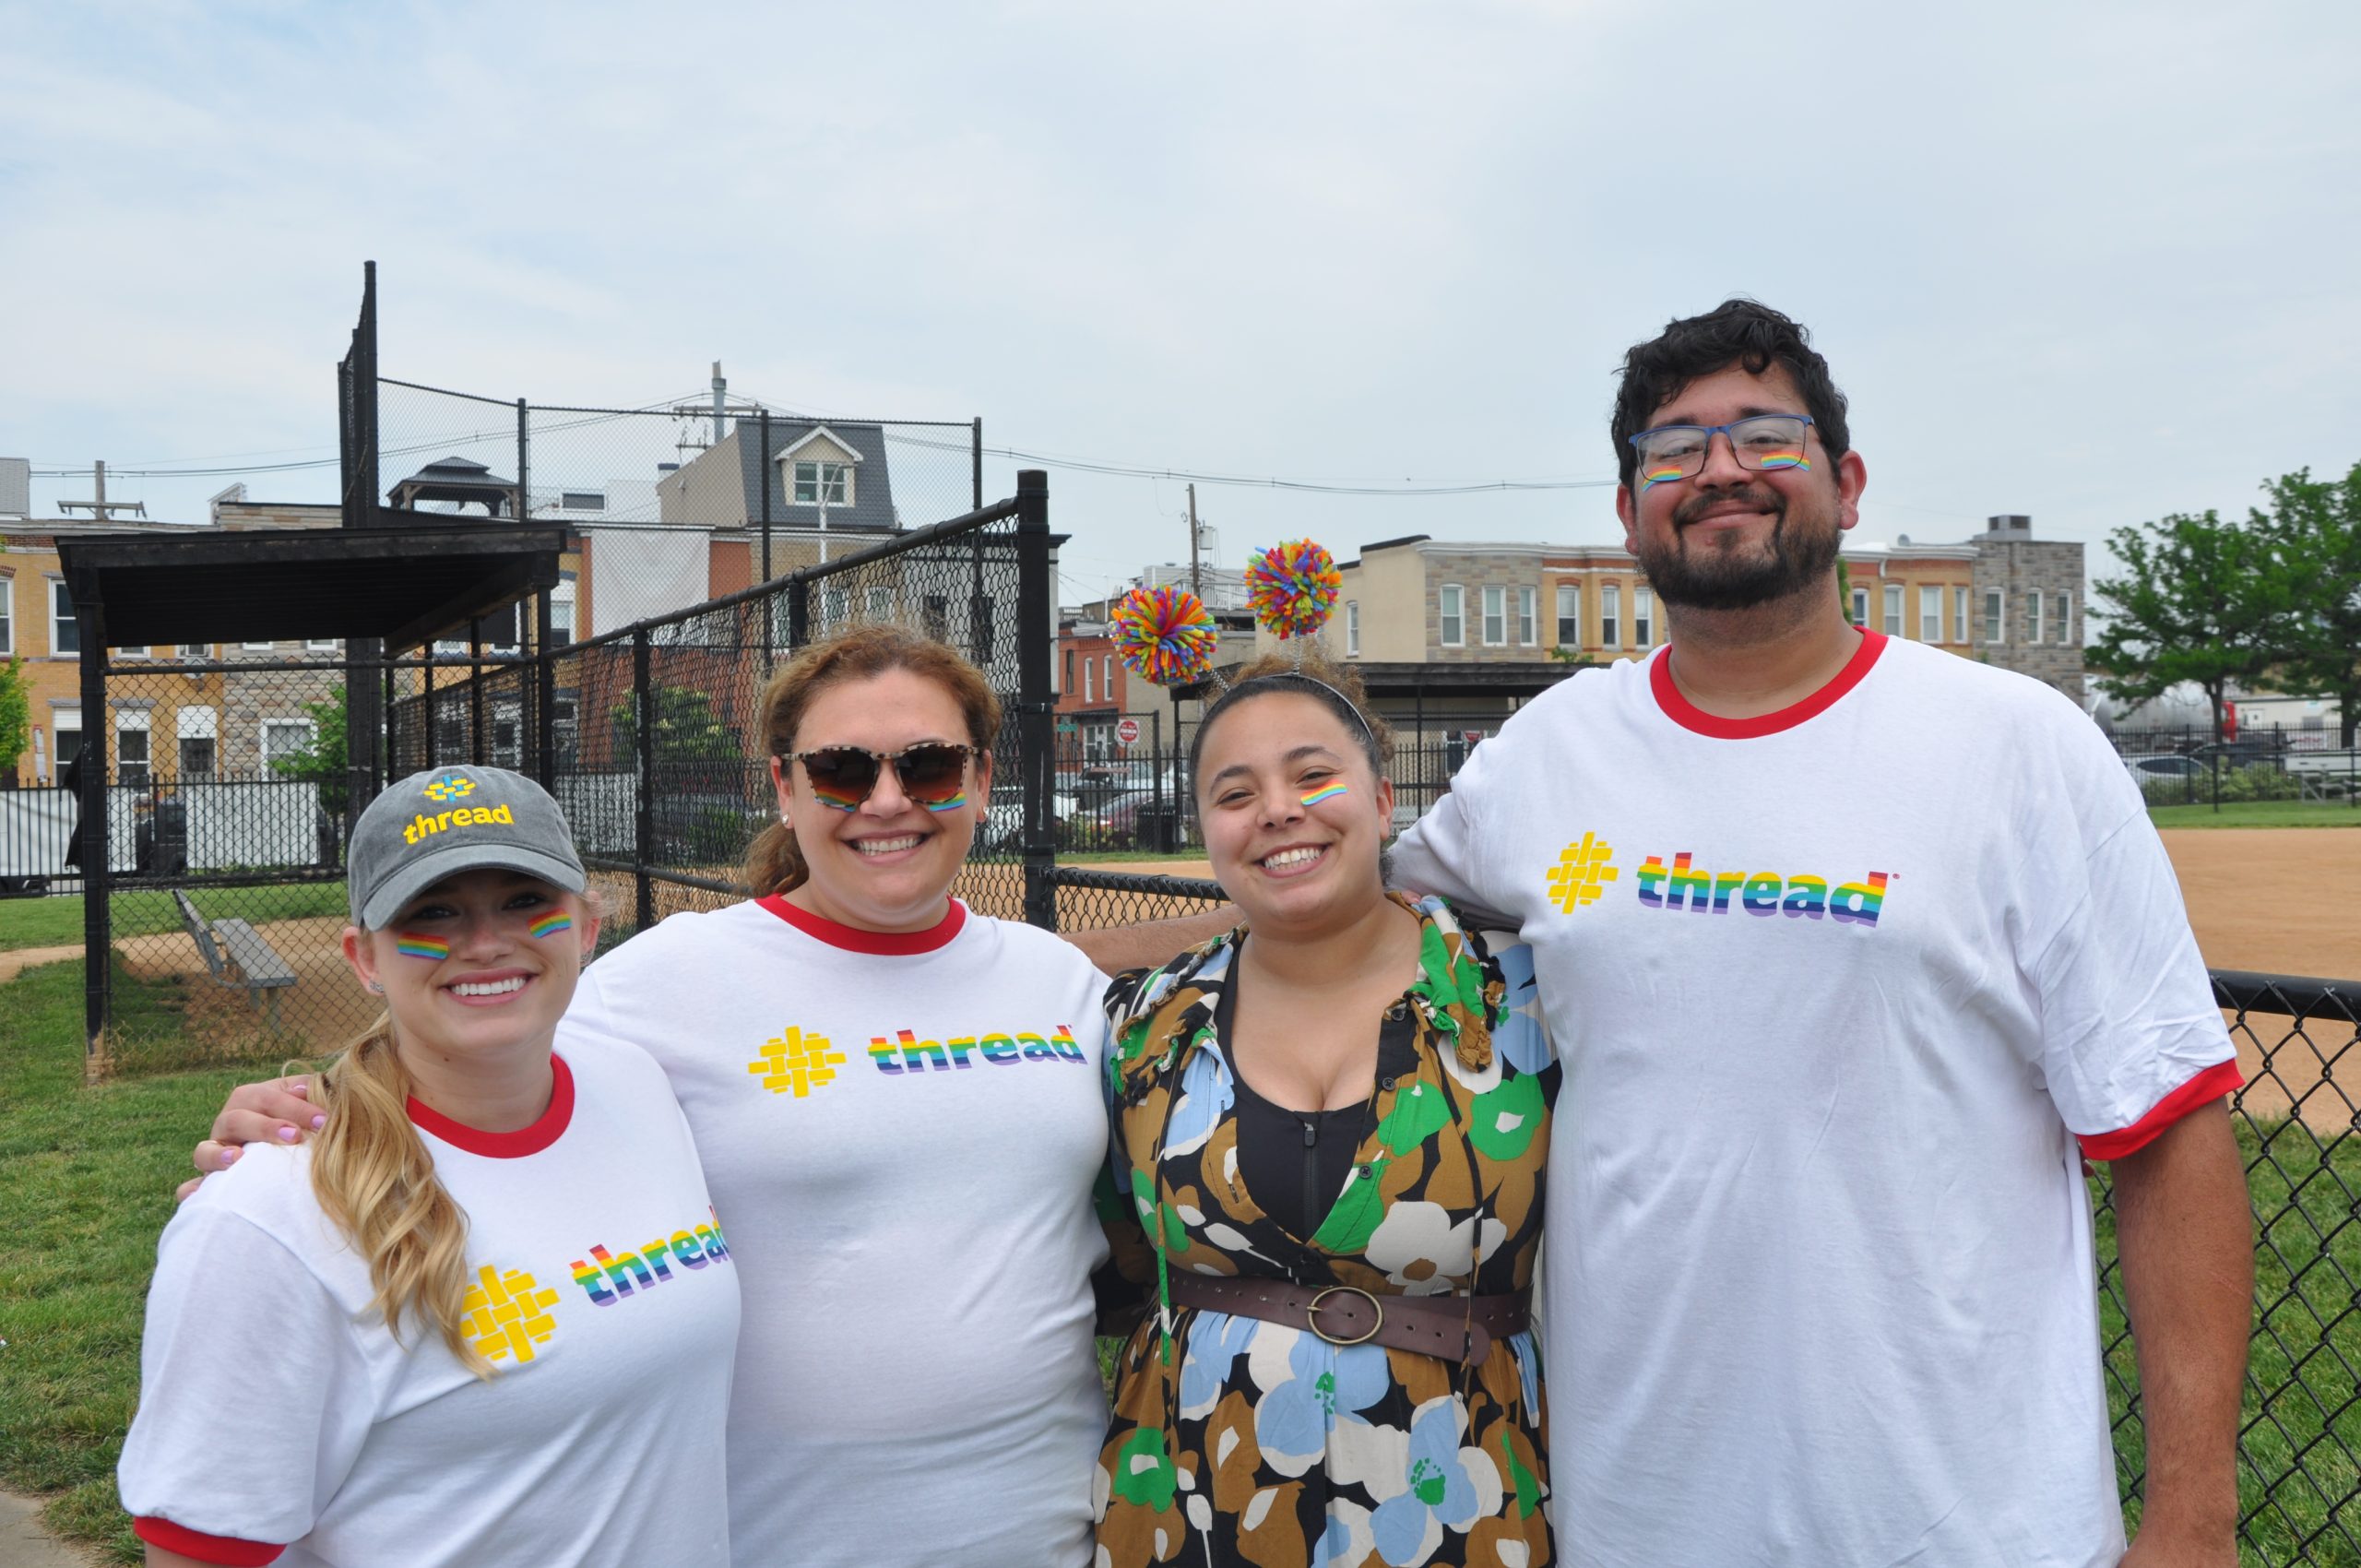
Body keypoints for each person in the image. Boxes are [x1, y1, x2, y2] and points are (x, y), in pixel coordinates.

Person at [1083, 302, 2255, 1567]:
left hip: (1959, 1511)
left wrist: (2192, 1514)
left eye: (1765, 435)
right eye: (1674, 451)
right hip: (1643, 1507)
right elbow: (1319, 909)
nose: (1721, 472)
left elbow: (2170, 1129)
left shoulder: (2017, 748)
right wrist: (1012, 969)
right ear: (1633, 512)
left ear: (1848, 484)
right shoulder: (1554, 752)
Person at [196, 628, 1117, 1568]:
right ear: (784, 786)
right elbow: (474, 1047)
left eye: (928, 765)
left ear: (982, 776)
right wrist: (299, 1130)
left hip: (1040, 1531)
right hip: (770, 1538)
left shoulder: (1059, 983)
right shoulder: (666, 981)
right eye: (841, 768)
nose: (886, 799)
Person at [121, 765, 740, 1567]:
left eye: (525, 901)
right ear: (363, 956)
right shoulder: (268, 1216)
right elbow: (198, 1549)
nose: (484, 943)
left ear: (588, 926)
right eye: (433, 912)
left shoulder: (638, 1083)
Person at [1096, 653, 1558, 1567]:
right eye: (1236, 793)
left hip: (1457, 1504)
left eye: (1312, 775)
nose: (1276, 808)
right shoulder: (1142, 1026)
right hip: (1188, 1503)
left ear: (1384, 800)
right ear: (1207, 832)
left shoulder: (1526, 1001)